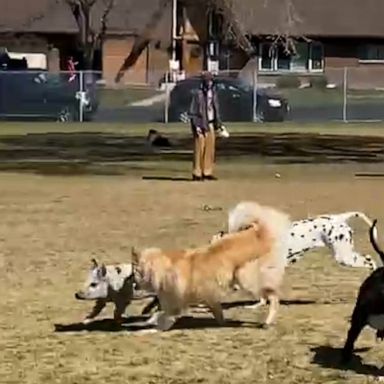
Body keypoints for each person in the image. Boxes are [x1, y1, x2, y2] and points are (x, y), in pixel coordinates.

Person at [188, 71, 224, 181]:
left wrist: (219, 124)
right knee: (200, 148)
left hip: (211, 123)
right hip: (200, 124)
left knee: (210, 148)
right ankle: (197, 173)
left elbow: (215, 108)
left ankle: (207, 171)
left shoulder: (213, 93)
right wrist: (197, 126)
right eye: (208, 81)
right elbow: (193, 111)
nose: (210, 83)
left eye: (211, 80)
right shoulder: (198, 94)